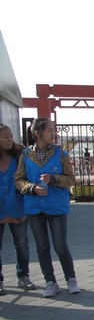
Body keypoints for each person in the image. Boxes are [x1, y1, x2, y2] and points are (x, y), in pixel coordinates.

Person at [15, 118, 79, 298]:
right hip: (34, 207)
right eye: (49, 130)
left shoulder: (61, 154)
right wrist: (32, 188)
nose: (53, 133)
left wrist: (54, 179)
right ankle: (50, 281)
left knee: (60, 245)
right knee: (42, 247)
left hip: (56, 206)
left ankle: (71, 278)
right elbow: (18, 180)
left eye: (53, 130)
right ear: (37, 133)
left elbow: (71, 179)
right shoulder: (26, 155)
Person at [0, 124, 34, 295]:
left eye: (11, 136)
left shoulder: (19, 157)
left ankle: (23, 276)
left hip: (17, 207)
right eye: (5, 137)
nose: (10, 140)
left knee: (21, 244)